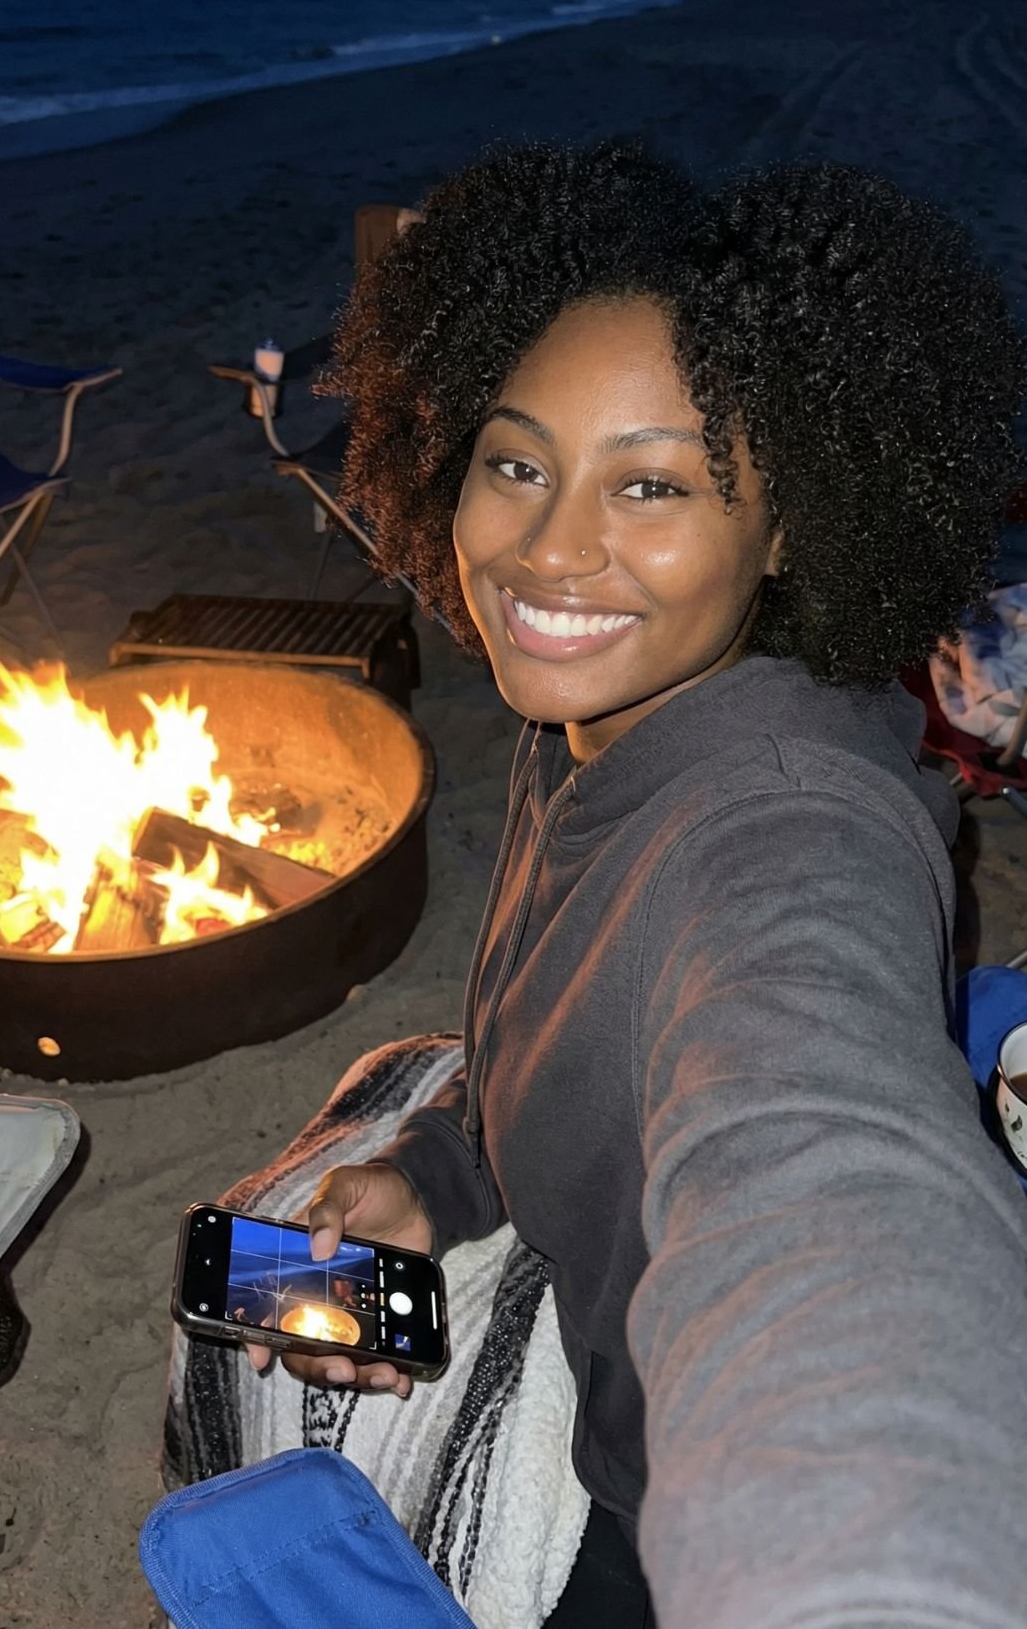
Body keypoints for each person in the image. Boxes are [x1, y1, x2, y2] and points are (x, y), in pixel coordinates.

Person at [249, 141, 1027, 1626]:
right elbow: (575, 1038)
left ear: (790, 522)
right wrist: (438, 1177)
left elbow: (821, 1154)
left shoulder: (788, 833)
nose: (547, 549)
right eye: (518, 462)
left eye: (653, 484)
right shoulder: (602, 714)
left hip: (666, 1491)